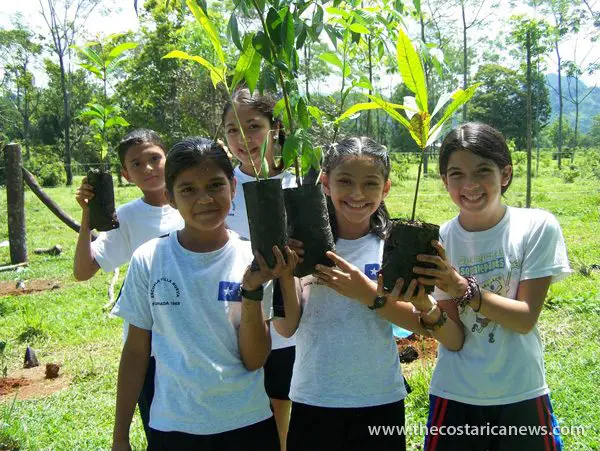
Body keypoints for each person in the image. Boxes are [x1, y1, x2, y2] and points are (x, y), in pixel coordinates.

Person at [275, 137, 464, 451]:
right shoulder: (305, 248)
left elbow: (421, 322)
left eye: (370, 184)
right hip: (314, 396)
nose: (357, 194)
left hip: (379, 397)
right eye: (345, 181)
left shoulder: (394, 248)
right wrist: (285, 272)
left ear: (386, 188)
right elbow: (286, 327)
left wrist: (367, 295)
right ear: (325, 183)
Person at [111, 137, 297, 451]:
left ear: (233, 187)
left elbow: (254, 360)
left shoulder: (251, 261)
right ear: (170, 197)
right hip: (173, 426)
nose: (204, 199)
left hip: (247, 423)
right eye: (188, 189)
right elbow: (135, 352)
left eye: (214, 185)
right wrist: (120, 437)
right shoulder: (149, 259)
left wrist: (251, 293)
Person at [411, 123, 571, 450]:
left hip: (520, 391)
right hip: (454, 394)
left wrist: (462, 287)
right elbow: (454, 339)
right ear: (444, 181)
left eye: (483, 171)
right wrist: (425, 307)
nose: (469, 185)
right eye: (456, 174)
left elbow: (525, 319)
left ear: (506, 174)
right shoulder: (439, 239)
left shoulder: (537, 227)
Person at [73, 128, 184, 441]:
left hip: (199, 339)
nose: (147, 168)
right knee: (162, 431)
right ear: (125, 174)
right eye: (136, 164)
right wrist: (86, 218)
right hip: (150, 347)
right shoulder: (126, 217)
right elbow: (83, 271)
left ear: (169, 159)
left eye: (154, 159)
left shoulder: (198, 203)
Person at [222, 88, 297, 451]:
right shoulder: (223, 187)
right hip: (235, 314)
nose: (242, 139)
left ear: (274, 127)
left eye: (252, 126)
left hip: (288, 317)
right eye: (232, 130)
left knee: (281, 398)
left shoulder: (298, 185)